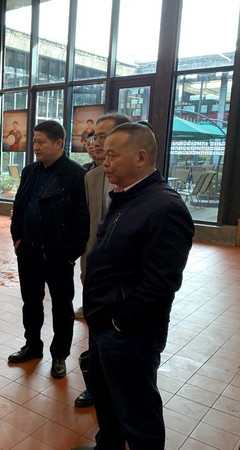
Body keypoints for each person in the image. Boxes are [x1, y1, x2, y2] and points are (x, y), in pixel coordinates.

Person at [71, 123, 194, 450]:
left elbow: (161, 283)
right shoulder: (127, 196)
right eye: (104, 154)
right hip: (105, 323)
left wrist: (120, 322)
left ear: (140, 157)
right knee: (107, 402)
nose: (105, 162)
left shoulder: (164, 207)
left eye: (113, 155)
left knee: (138, 415)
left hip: (130, 333)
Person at [8, 120, 89, 380]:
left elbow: (82, 220)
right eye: (34, 141)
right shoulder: (30, 171)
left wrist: (69, 254)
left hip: (58, 255)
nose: (36, 146)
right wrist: (17, 239)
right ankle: (32, 345)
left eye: (41, 142)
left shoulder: (75, 175)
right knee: (31, 302)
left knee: (62, 307)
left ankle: (59, 355)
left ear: (59, 143)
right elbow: (20, 206)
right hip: (29, 251)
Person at [74, 113, 131, 409]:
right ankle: (95, 388)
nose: (97, 142)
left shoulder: (143, 186)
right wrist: (85, 266)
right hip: (94, 273)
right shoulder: (92, 177)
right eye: (95, 136)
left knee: (122, 345)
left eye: (104, 136)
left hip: (125, 283)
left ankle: (117, 395)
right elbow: (89, 229)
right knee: (95, 334)